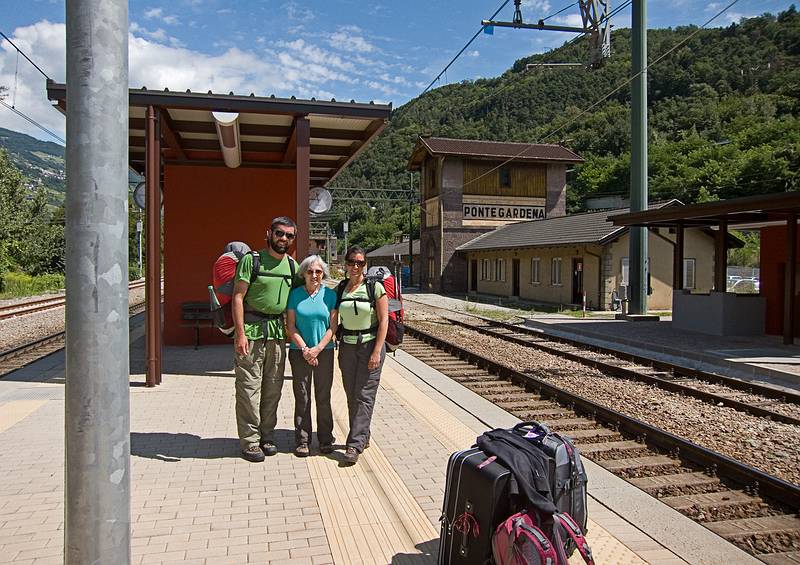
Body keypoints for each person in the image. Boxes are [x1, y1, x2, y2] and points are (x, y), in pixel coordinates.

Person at [231, 217, 299, 462]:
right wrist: (240, 333)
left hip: (277, 336)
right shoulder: (252, 260)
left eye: (289, 236)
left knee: (273, 390)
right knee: (249, 389)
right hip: (251, 333)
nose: (284, 239)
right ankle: (249, 442)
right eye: (280, 233)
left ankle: (266, 436)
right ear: (269, 233)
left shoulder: (292, 266)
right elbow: (238, 297)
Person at [335, 246, 389, 464]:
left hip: (370, 346)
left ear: (365, 265)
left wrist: (377, 350)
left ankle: (354, 444)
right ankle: (363, 435)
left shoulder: (374, 287)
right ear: (346, 264)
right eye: (351, 262)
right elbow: (332, 317)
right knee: (351, 394)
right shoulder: (341, 288)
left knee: (365, 395)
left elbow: (384, 320)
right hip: (347, 347)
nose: (355, 266)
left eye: (360, 263)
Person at [286, 255, 338, 457]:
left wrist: (316, 349)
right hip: (299, 353)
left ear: (323, 273)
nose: (314, 275)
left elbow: (332, 326)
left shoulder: (330, 295)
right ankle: (302, 440)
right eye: (310, 271)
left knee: (323, 397)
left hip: (324, 352)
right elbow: (291, 326)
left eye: (318, 271)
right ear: (303, 274)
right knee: (303, 397)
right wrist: (306, 349)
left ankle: (325, 438)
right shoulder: (295, 295)